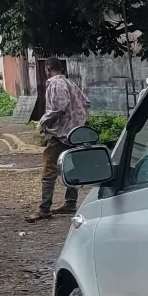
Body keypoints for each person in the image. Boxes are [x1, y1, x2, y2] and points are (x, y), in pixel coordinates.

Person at [29, 57, 90, 221]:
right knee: (72, 168)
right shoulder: (70, 83)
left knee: (49, 169)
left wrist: (43, 122)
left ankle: (44, 208)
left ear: (48, 68)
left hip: (61, 133)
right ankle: (70, 203)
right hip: (75, 133)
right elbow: (86, 102)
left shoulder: (55, 83)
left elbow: (59, 106)